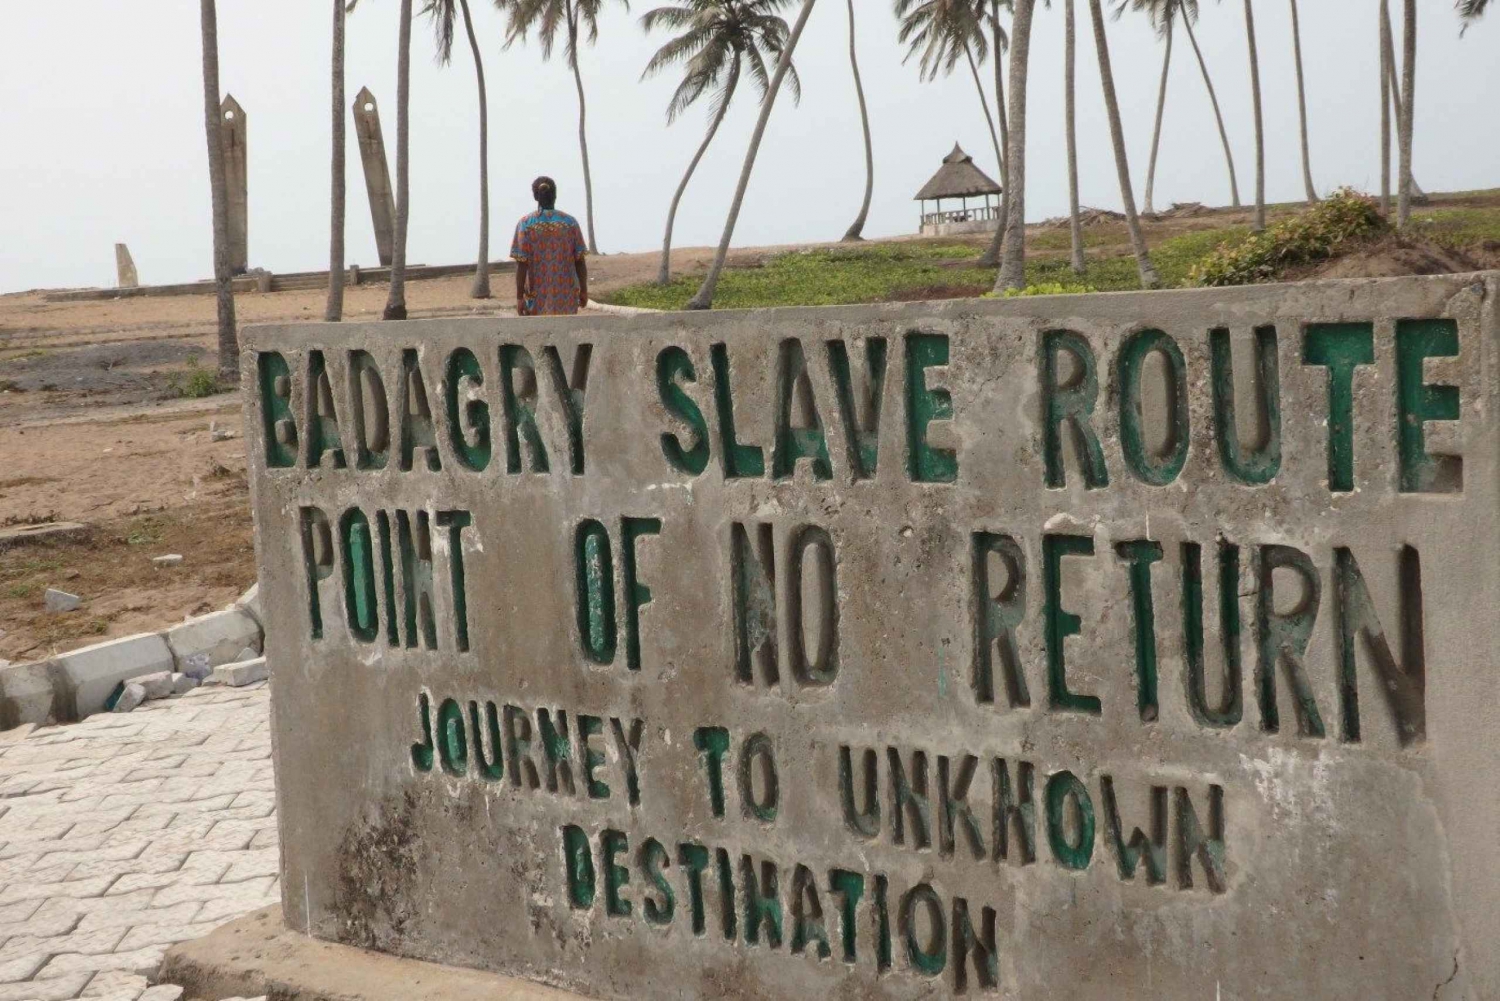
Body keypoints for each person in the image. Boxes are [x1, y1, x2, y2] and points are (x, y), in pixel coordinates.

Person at [510, 176, 589, 316]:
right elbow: (580, 261)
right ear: (555, 195)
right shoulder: (570, 223)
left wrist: (519, 297)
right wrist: (583, 290)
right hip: (566, 298)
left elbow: (521, 265)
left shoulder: (525, 224)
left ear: (535, 197)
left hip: (535, 300)